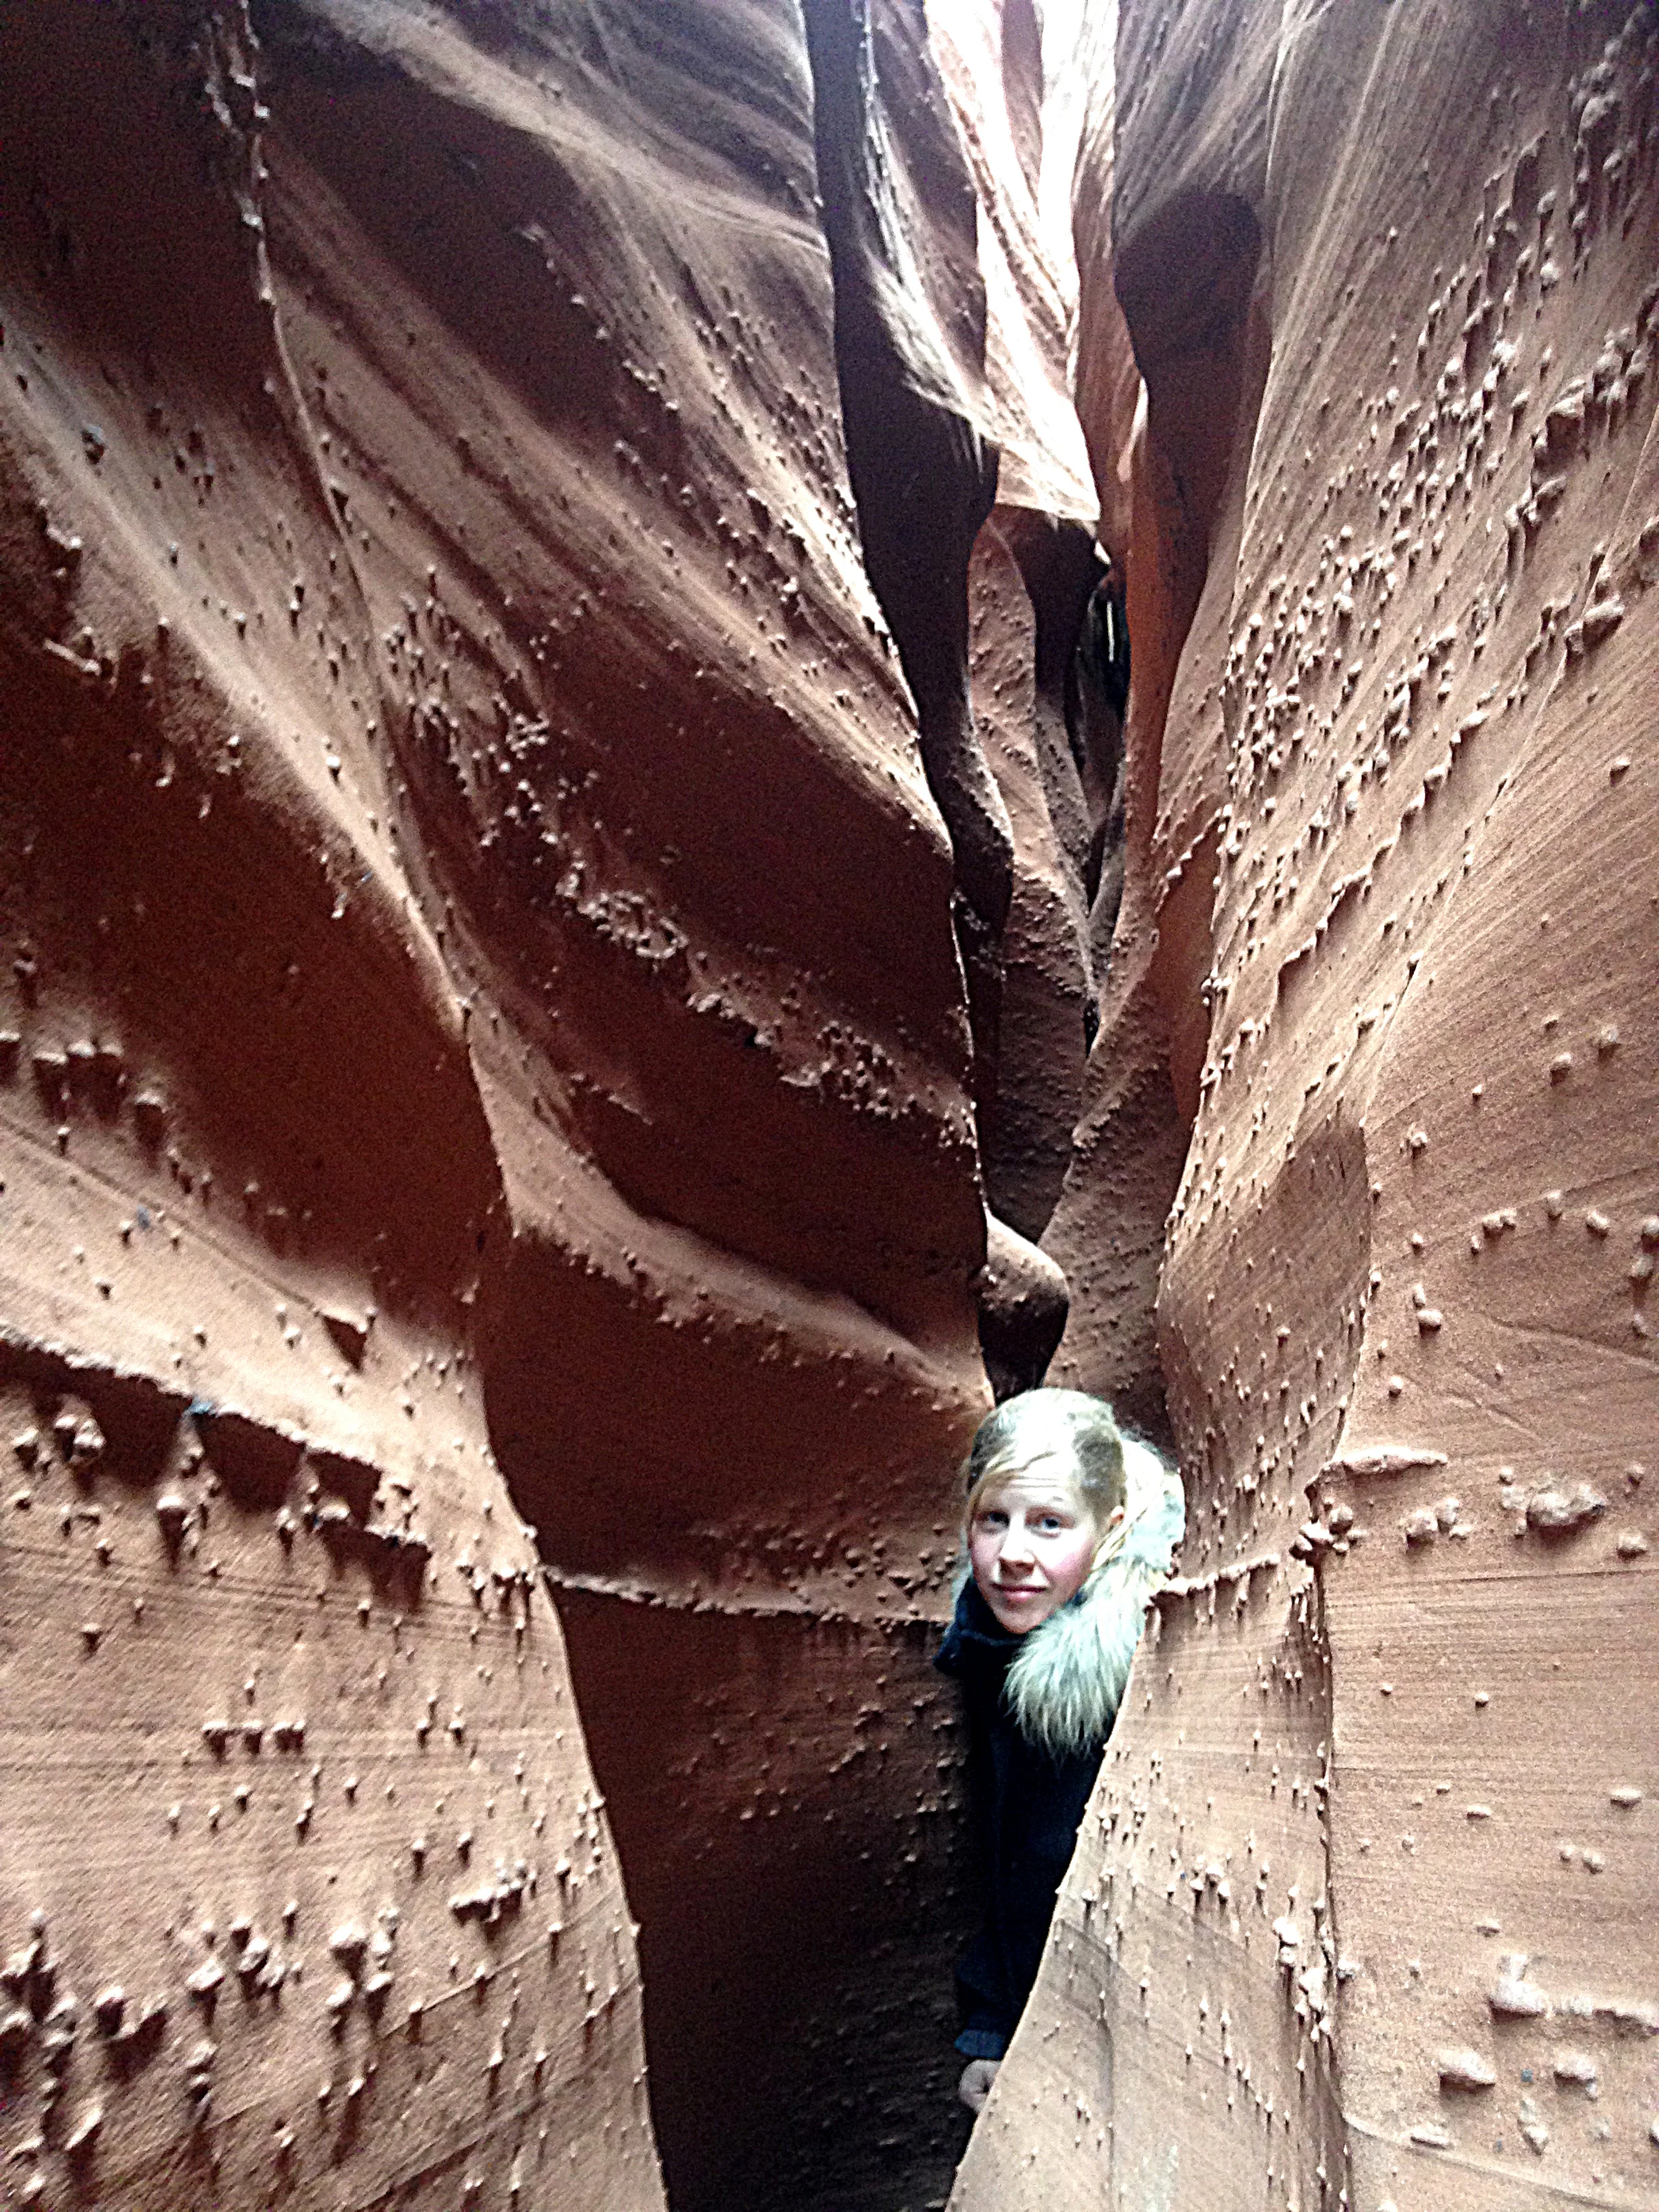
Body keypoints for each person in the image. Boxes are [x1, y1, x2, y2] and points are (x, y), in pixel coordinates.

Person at [935, 1388, 1184, 2114]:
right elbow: (1004, 1858)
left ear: (1110, 1531)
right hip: (1036, 2032)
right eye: (993, 1521)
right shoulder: (991, 1645)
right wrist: (992, 2027)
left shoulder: (1142, 1661)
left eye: (1049, 1524)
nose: (1013, 1554)